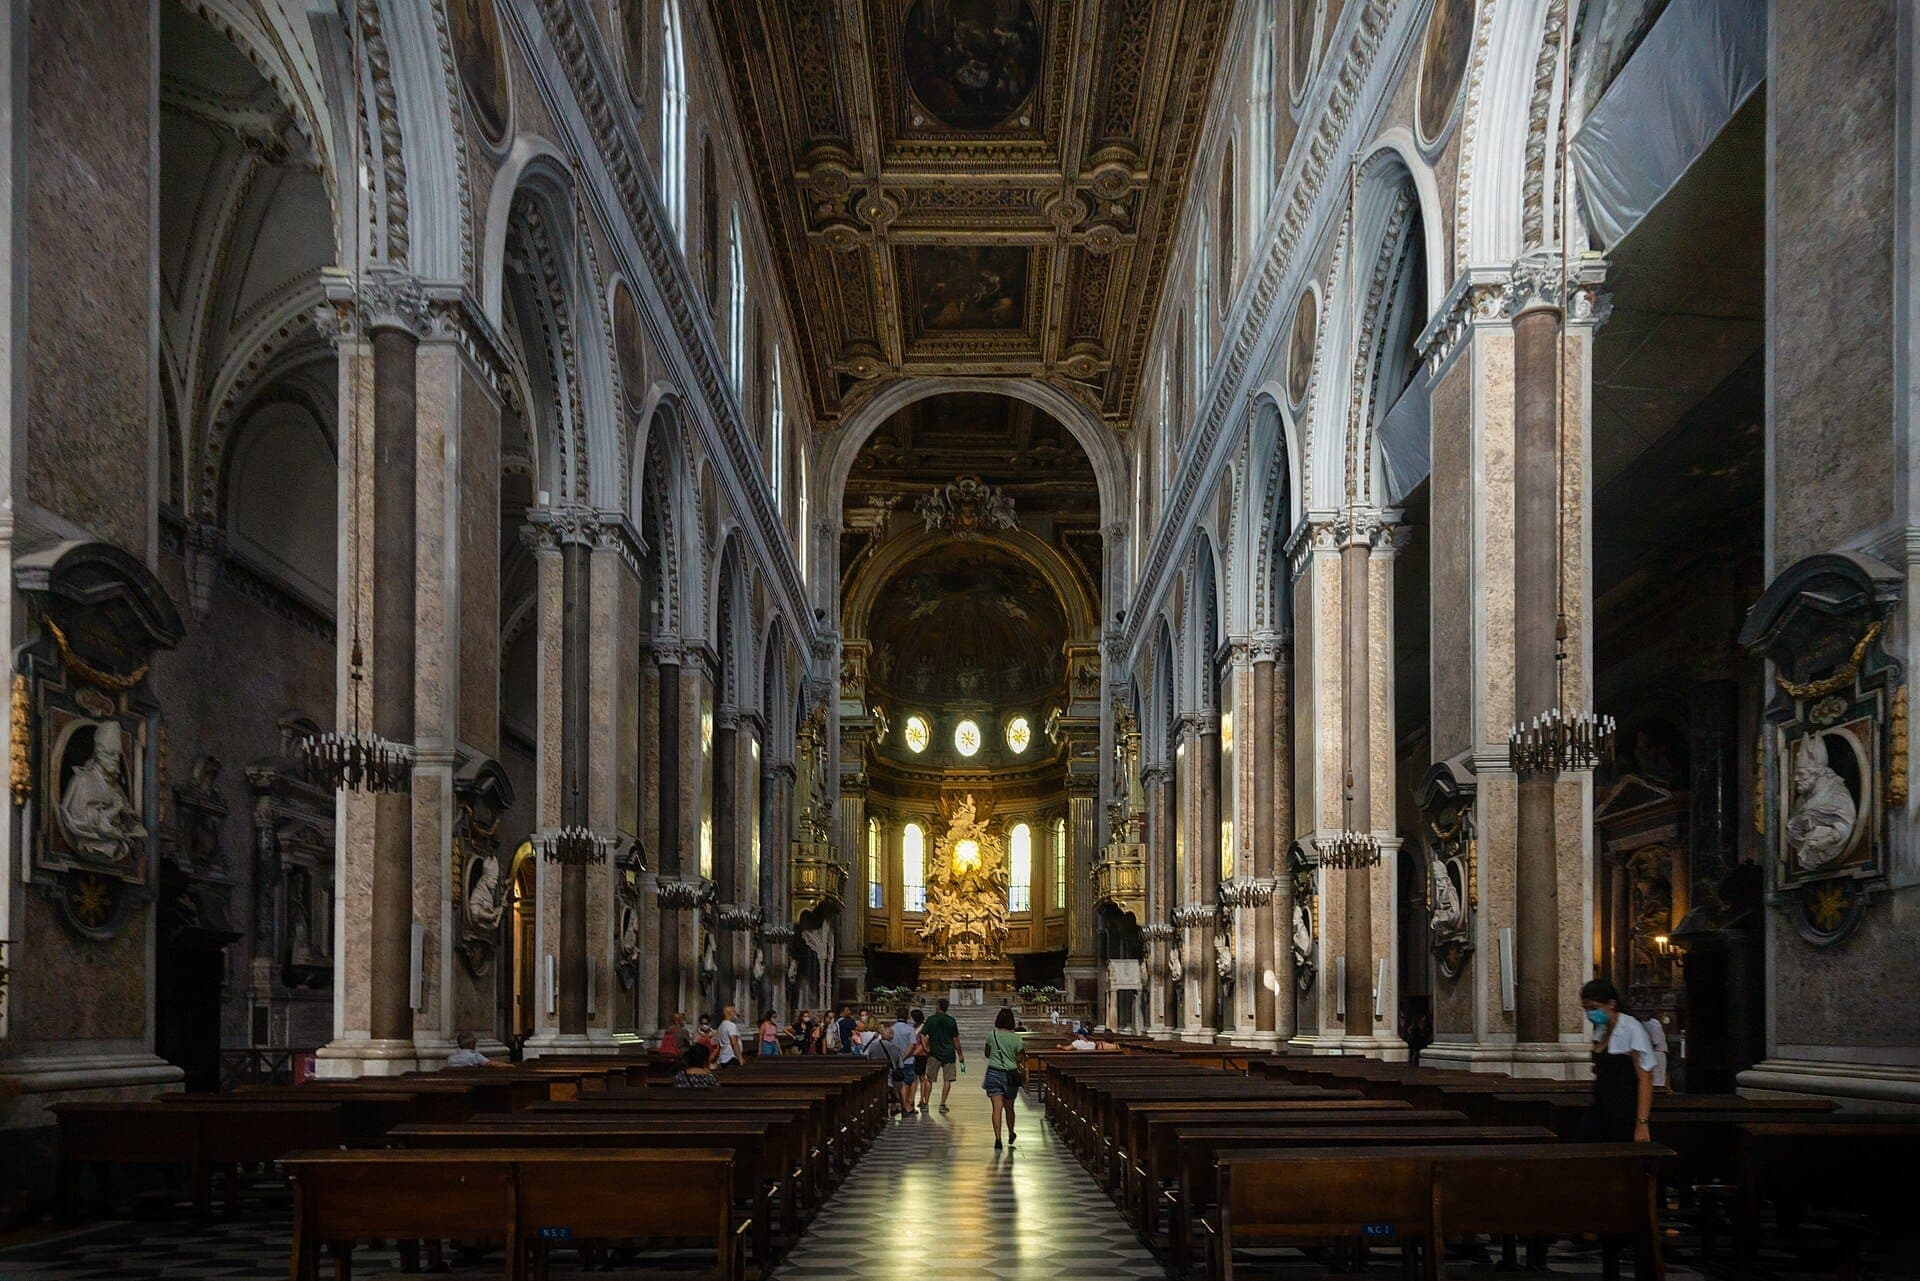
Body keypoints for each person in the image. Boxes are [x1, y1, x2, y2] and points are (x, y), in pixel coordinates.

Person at [1579, 978, 1656, 1143]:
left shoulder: (1631, 1028)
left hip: (1624, 1108)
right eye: (1586, 1008)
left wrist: (1642, 1123)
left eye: (1593, 1008)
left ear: (1611, 1004)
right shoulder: (1601, 1028)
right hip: (1602, 1106)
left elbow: (1646, 1078)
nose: (1589, 1014)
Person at [983, 1006, 1024, 1150]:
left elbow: (987, 1054)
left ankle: (998, 1138)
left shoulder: (992, 1035)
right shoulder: (1016, 1039)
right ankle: (1011, 1132)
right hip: (1010, 1075)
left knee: (996, 1108)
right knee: (1009, 1107)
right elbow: (1019, 1058)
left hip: (993, 1072)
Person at [922, 997, 964, 1112]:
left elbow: (923, 1035)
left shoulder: (930, 1020)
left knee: (929, 1079)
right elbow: (956, 1039)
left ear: (939, 1006)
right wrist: (960, 1054)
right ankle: (942, 1104)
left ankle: (925, 1103)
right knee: (947, 1080)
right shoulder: (951, 1020)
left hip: (934, 1053)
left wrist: (926, 1048)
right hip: (949, 1053)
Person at [909, 1009, 935, 1111]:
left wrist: (914, 1053)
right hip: (912, 1053)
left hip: (920, 1054)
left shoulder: (924, 1027)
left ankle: (922, 1099)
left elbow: (925, 1042)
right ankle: (911, 1099)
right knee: (913, 1078)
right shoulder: (912, 1027)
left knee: (921, 1077)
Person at [1645, 1012, 1671, 1090]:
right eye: (1663, 1016)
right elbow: (1656, 1040)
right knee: (1658, 1074)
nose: (1665, 1018)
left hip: (1652, 1052)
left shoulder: (1648, 1023)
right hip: (1657, 1051)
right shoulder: (1655, 1024)